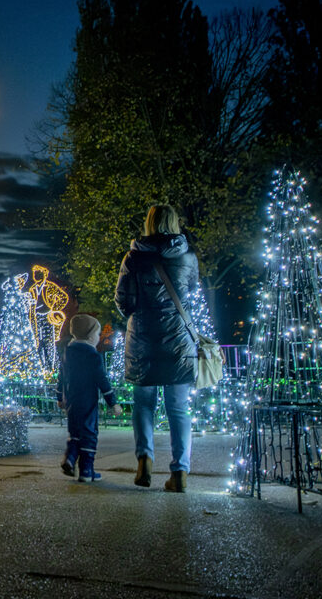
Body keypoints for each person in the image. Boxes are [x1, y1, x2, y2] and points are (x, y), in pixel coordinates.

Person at [115, 204, 200, 492]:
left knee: (143, 405)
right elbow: (192, 291)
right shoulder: (187, 256)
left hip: (143, 339)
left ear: (149, 223)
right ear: (175, 223)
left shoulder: (134, 257)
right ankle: (179, 473)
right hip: (177, 340)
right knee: (178, 409)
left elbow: (122, 299)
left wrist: (139, 315)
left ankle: (145, 461)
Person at [58, 314, 123, 482]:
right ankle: (87, 470)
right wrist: (113, 402)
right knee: (89, 432)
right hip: (87, 400)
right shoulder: (93, 355)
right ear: (89, 335)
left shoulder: (68, 352)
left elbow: (61, 377)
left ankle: (70, 458)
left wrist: (60, 396)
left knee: (75, 432)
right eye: (97, 334)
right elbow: (101, 379)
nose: (99, 337)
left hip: (71, 398)